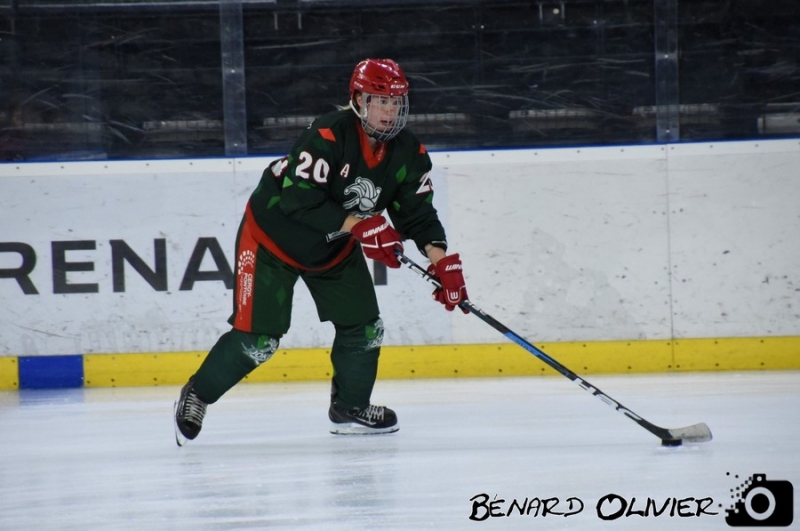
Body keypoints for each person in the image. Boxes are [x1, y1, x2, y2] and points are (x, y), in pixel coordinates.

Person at [173, 58, 469, 445]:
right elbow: (298, 201)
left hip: (333, 247)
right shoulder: (328, 134)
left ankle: (349, 406)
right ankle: (198, 393)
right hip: (272, 240)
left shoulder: (409, 153)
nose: (389, 111)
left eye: (396, 102)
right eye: (380, 101)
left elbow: (418, 215)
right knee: (257, 341)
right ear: (359, 101)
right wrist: (360, 226)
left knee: (365, 328)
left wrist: (442, 262)